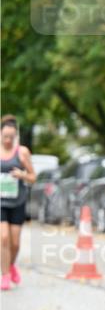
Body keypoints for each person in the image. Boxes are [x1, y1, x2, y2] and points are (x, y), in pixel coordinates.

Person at [1, 115, 37, 291]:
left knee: (15, 243)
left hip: (17, 202)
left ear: (15, 136)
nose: (7, 140)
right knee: (4, 238)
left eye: (11, 137)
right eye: (5, 136)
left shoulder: (22, 152)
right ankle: (5, 275)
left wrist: (22, 174)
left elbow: (33, 177)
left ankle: (11, 265)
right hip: (1, 202)